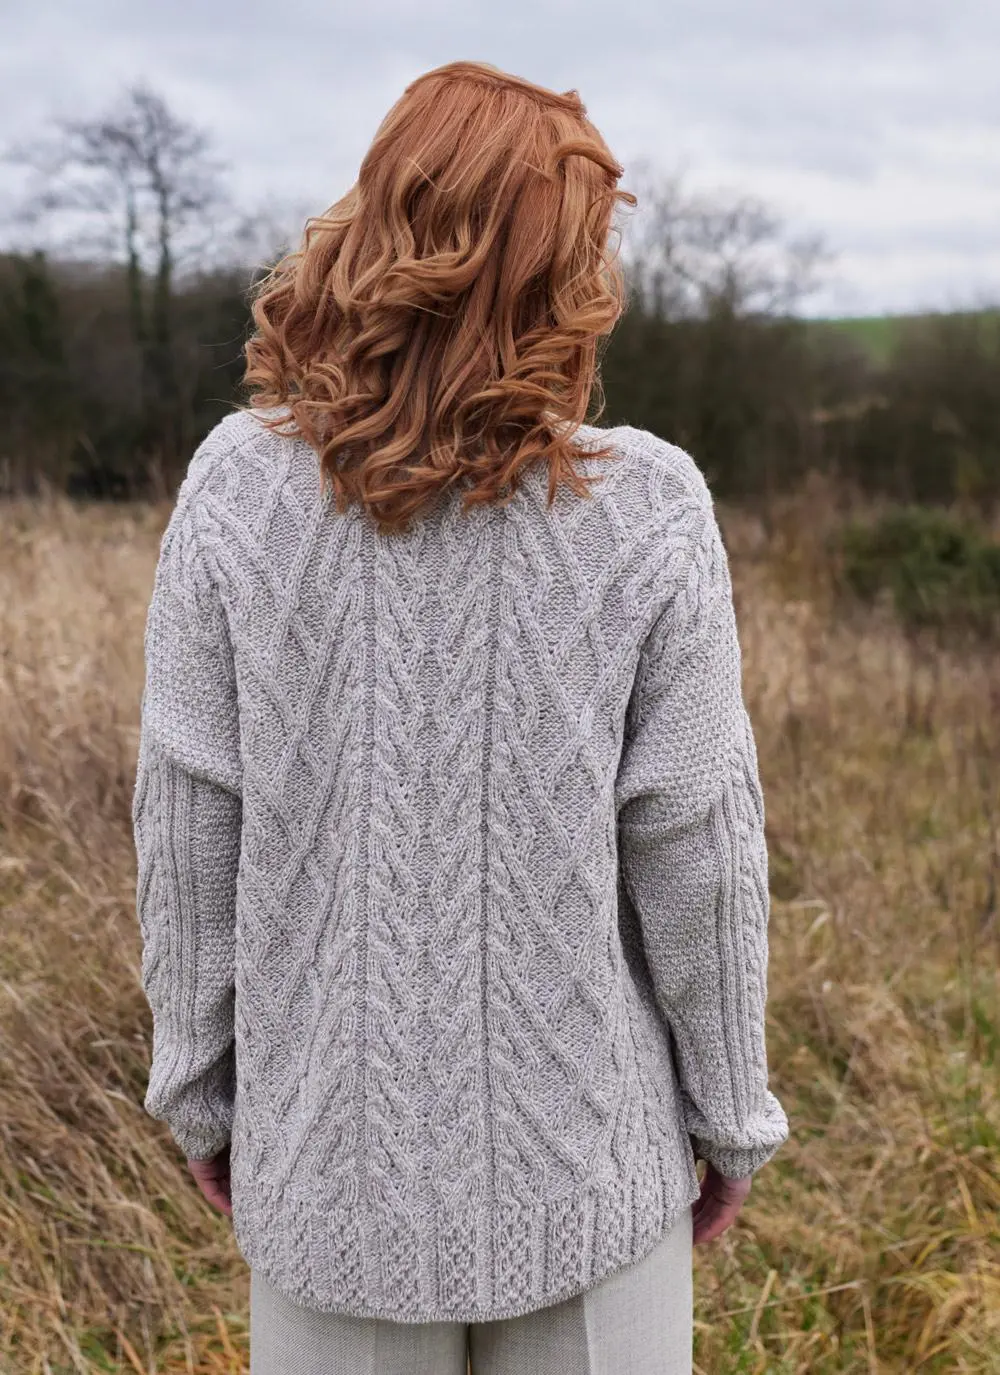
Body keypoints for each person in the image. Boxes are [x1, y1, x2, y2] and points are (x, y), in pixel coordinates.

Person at [132, 58, 788, 1375]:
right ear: (568, 277)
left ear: (376, 226)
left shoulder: (237, 488)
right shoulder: (647, 510)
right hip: (592, 1175)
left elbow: (190, 819)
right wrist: (729, 1115)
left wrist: (200, 1094)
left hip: (327, 1176)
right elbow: (697, 849)